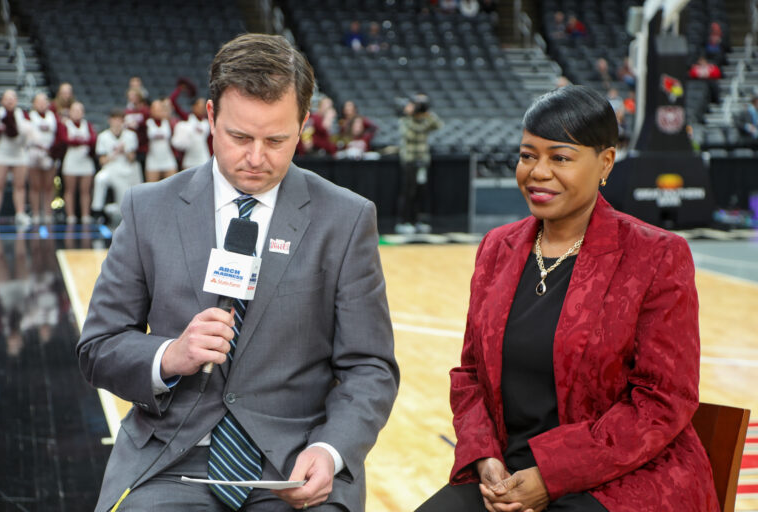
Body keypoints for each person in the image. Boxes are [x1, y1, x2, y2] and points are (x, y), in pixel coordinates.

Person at [76, 33, 398, 512]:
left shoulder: (346, 219)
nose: (255, 158)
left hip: (294, 466)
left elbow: (369, 366)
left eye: (276, 140)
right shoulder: (148, 209)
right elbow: (98, 347)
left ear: (304, 124)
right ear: (209, 117)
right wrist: (170, 355)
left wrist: (331, 450)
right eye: (239, 137)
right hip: (170, 462)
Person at [416, 85, 719, 512]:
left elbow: (663, 399)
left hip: (624, 475)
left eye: (560, 158)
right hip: (509, 470)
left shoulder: (656, 255)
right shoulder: (496, 248)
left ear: (605, 163)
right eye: (527, 155)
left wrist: (553, 474)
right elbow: (469, 374)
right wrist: (483, 456)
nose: (538, 172)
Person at [396, 94, 442, 235]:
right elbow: (411, 134)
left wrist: (427, 113)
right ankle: (404, 221)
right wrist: (411, 115)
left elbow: (438, 125)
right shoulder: (405, 120)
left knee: (420, 192)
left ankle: (418, 221)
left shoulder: (425, 120)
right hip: (410, 160)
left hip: (422, 160)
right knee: (408, 192)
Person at [91, 109, 141, 224]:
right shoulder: (103, 136)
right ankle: (97, 211)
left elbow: (132, 158)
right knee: (100, 179)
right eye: (114, 119)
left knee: (121, 204)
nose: (117, 122)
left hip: (125, 170)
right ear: (110, 120)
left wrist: (125, 150)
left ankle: (117, 212)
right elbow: (102, 161)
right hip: (109, 168)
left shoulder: (130, 136)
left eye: (119, 120)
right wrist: (114, 153)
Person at [0, 89, 31, 227]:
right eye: (7, 98)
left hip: (18, 152)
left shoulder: (22, 114)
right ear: (2, 101)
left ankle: (20, 213)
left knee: (19, 185)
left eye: (12, 98)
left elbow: (29, 131)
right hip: (2, 152)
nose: (9, 100)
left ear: (16, 101)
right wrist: (2, 129)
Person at [58, 101, 96, 224]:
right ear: (70, 112)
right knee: (70, 190)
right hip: (71, 160)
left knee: (85, 191)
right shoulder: (66, 124)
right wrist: (81, 141)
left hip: (85, 160)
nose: (77, 113)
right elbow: (64, 140)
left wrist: (77, 141)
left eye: (79, 111)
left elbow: (93, 140)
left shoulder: (87, 124)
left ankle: (85, 215)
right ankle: (70, 216)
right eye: (74, 110)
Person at [26, 92, 58, 224]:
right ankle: (35, 213)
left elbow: (58, 135)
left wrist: (53, 150)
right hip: (34, 153)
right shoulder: (29, 116)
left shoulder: (53, 117)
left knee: (49, 185)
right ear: (34, 103)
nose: (42, 104)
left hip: (49, 154)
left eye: (44, 101)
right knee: (35, 186)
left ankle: (48, 213)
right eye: (39, 101)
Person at [144, 99, 178, 182]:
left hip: (167, 158)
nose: (158, 111)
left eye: (160, 109)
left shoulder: (168, 122)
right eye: (155, 109)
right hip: (153, 159)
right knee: (151, 188)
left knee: (172, 185)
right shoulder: (147, 122)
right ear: (151, 110)